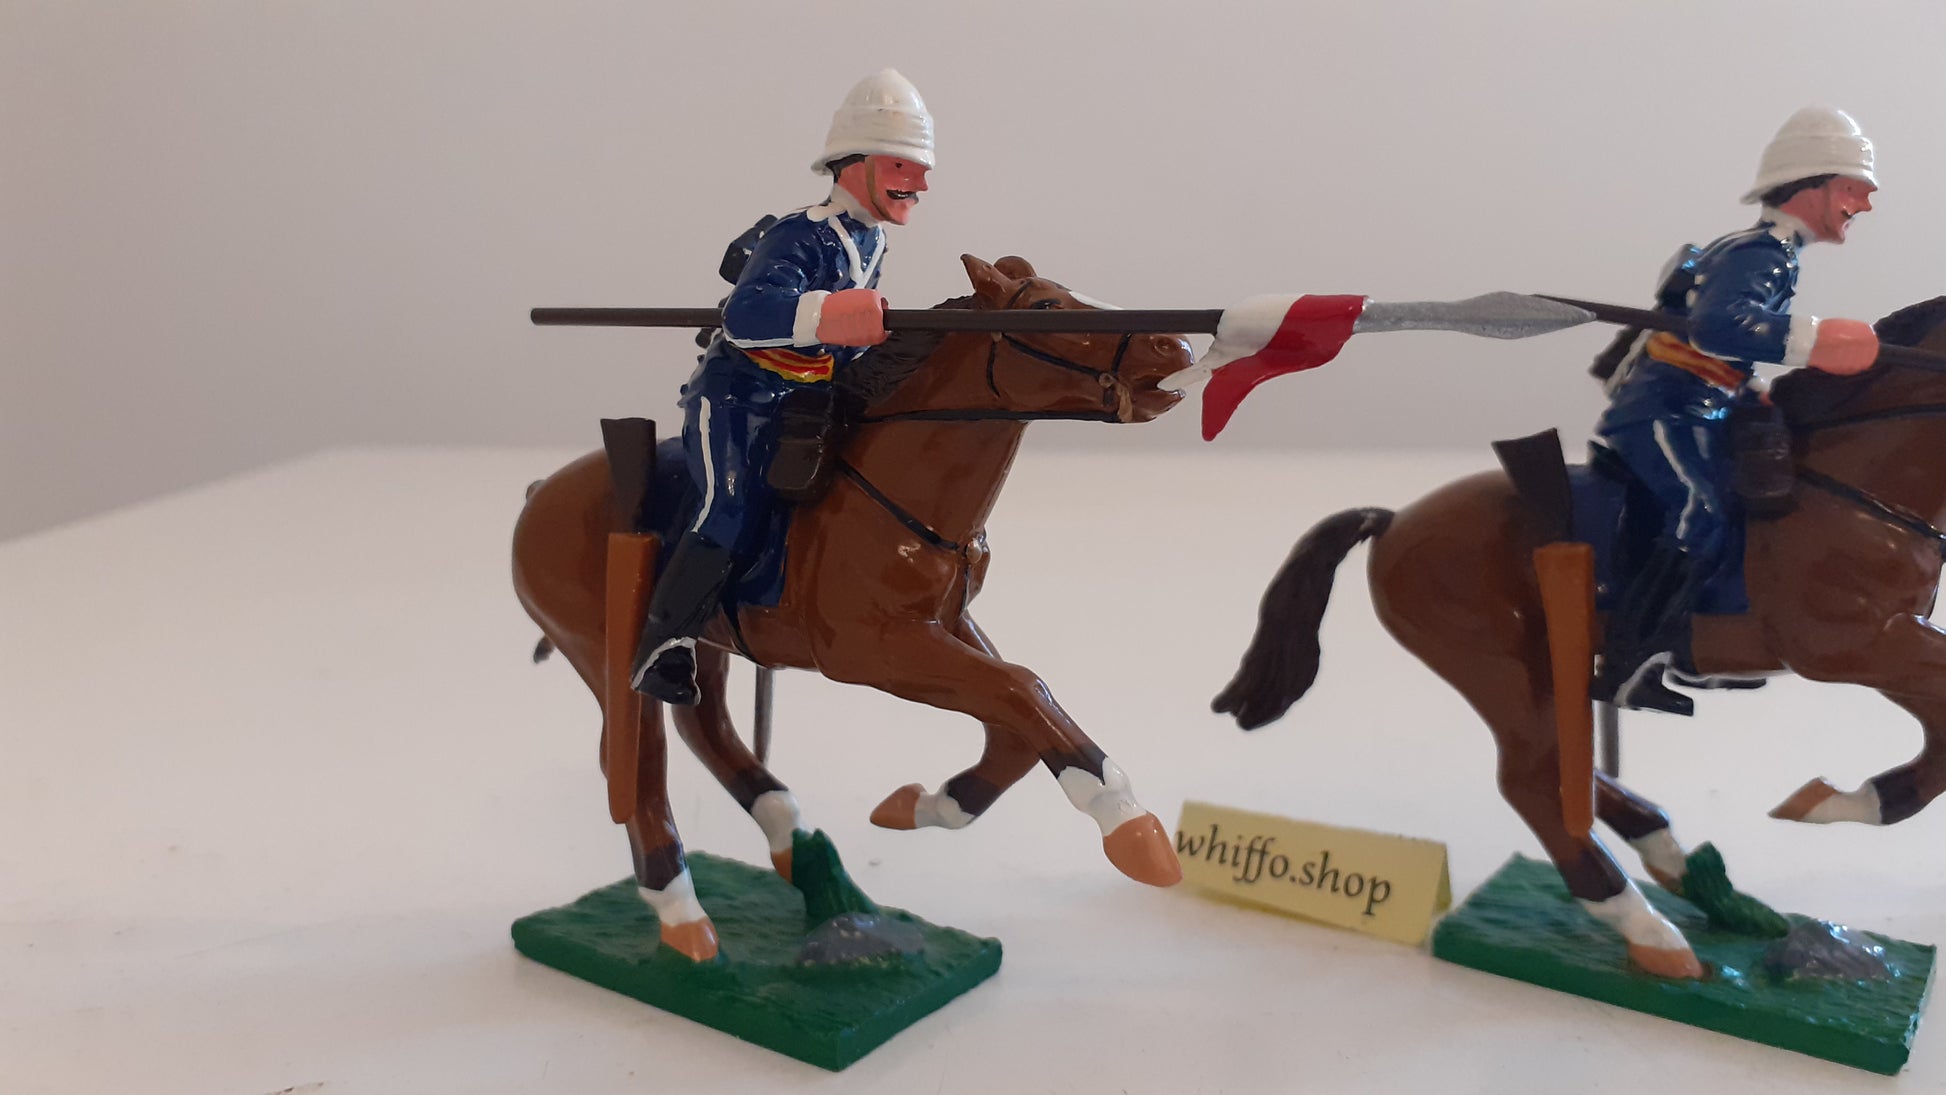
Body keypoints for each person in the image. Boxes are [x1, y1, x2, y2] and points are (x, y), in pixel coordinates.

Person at [630, 69, 935, 705]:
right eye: (903, 166)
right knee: (728, 507)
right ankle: (664, 644)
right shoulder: (801, 233)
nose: (920, 184)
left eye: (921, 169)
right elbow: (746, 317)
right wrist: (830, 314)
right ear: (856, 165)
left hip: (808, 397)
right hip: (739, 396)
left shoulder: (872, 240)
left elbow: (846, 339)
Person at [1590, 106, 1880, 715]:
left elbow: (1721, 350)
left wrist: (1751, 390)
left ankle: (1697, 649)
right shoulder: (1761, 253)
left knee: (1744, 509)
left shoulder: (1773, 253)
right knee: (1697, 514)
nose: (1865, 205)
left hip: (1703, 407)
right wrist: (1815, 340)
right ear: (1811, 187)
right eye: (1854, 188)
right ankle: (1626, 663)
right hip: (1666, 411)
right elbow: (1720, 327)